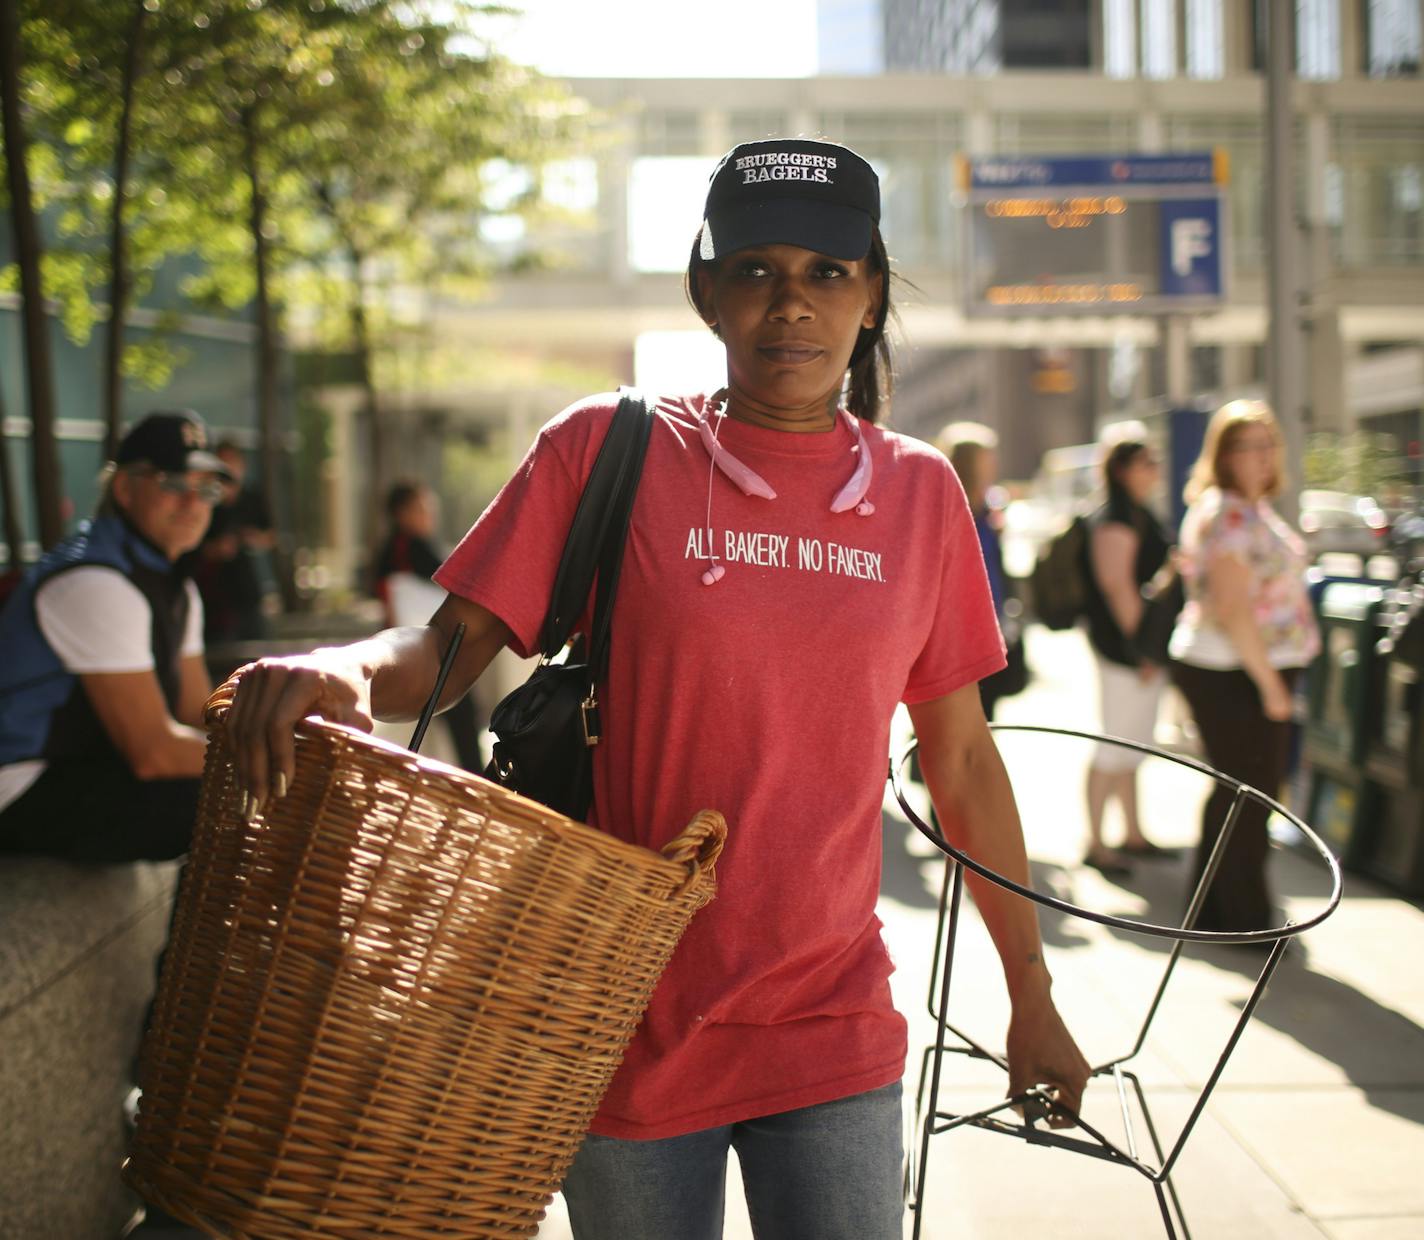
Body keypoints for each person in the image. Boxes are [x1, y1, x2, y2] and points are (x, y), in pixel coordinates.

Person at [220, 137, 1090, 1240]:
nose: (791, 305)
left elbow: (961, 761)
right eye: (755, 272)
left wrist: (1031, 996)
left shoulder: (919, 494)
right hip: (612, 1015)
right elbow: (448, 651)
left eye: (826, 273)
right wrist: (336, 668)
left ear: (869, 297)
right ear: (705, 291)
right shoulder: (606, 448)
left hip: (829, 1019)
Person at [0, 411, 226, 862]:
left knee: (244, 796)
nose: (193, 503)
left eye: (206, 488)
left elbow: (198, 713)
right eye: (174, 483)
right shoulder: (95, 582)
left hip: (83, 770)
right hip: (19, 785)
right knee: (214, 805)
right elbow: (154, 753)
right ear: (124, 488)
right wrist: (284, 766)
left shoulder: (174, 585)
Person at [1167, 400, 1321, 933]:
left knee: (1240, 793)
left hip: (1247, 668)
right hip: (1235, 670)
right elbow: (1232, 610)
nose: (1262, 456)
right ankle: (1241, 919)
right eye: (1248, 446)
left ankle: (1220, 911)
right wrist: (1272, 686)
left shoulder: (1250, 509)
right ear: (1224, 455)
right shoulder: (1229, 512)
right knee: (1249, 797)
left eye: (1268, 443)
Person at [1080, 426, 1172, 877]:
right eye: (1146, 463)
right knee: (1113, 744)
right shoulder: (1114, 517)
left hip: (1135, 650)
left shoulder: (1135, 512)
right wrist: (1145, 649)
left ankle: (1132, 833)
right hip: (1123, 650)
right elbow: (1118, 588)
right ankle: (1096, 843)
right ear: (1122, 469)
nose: (1155, 471)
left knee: (1132, 744)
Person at [373, 480, 485, 772]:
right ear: (403, 513)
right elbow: (451, 579)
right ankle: (478, 783)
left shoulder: (389, 549)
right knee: (462, 714)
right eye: (421, 508)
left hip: (403, 646)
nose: (428, 515)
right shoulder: (412, 547)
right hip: (432, 651)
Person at [936, 422, 1027, 719]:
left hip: (989, 625)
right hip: (955, 633)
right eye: (988, 458)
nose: (995, 465)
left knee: (984, 717)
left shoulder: (989, 510)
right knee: (949, 719)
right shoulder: (946, 506)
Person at [191, 439, 275, 643]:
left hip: (247, 588)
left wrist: (251, 538)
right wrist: (214, 549)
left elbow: (270, 536)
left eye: (232, 463)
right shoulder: (204, 499)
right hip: (214, 594)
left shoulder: (251, 497)